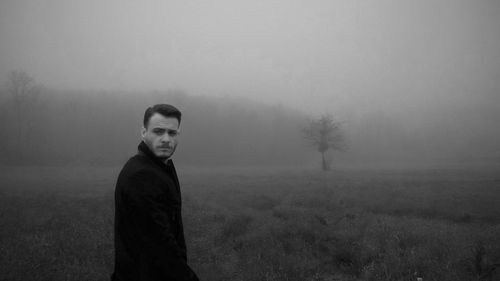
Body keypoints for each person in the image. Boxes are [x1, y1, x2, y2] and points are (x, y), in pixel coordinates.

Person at [112, 104, 199, 281]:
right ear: (144, 133)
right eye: (158, 131)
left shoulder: (158, 168)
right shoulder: (142, 175)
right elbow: (160, 246)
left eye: (172, 133)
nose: (166, 139)